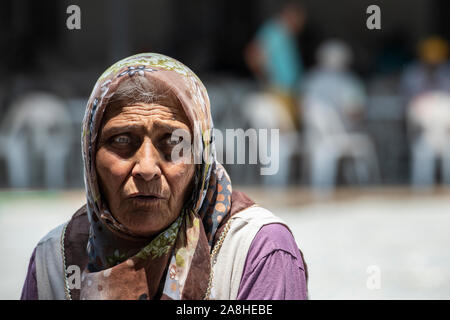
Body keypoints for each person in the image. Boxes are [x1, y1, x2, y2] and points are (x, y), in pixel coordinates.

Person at [20, 53, 307, 300]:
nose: (146, 168)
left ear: (201, 158)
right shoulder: (55, 263)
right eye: (121, 140)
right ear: (91, 157)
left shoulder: (256, 252)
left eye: (174, 142)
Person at [244, 1, 306, 127]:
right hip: (276, 92)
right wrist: (265, 79)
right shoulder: (274, 31)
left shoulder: (288, 35)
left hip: (288, 93)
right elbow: (252, 55)